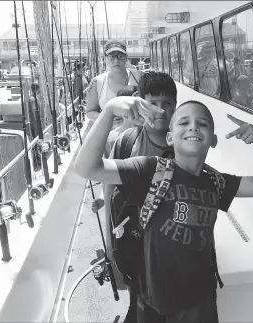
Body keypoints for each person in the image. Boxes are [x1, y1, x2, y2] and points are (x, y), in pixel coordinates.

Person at [75, 96, 253, 323]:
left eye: (202, 123)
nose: (193, 126)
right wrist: (108, 112)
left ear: (212, 140)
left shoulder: (217, 182)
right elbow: (88, 167)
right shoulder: (149, 169)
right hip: (155, 303)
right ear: (169, 137)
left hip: (201, 302)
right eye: (184, 123)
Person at [91, 71, 178, 323]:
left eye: (167, 104)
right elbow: (109, 189)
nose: (160, 111)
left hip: (171, 251)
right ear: (140, 102)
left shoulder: (184, 145)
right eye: (152, 103)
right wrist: (109, 242)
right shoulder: (126, 141)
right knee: (137, 300)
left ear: (176, 106)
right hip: (133, 243)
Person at [85, 39, 144, 130]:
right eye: (112, 56)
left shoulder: (140, 77)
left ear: (126, 58)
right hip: (109, 134)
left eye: (120, 56)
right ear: (105, 58)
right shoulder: (96, 82)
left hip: (137, 132)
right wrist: (109, 117)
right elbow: (90, 112)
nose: (116, 60)